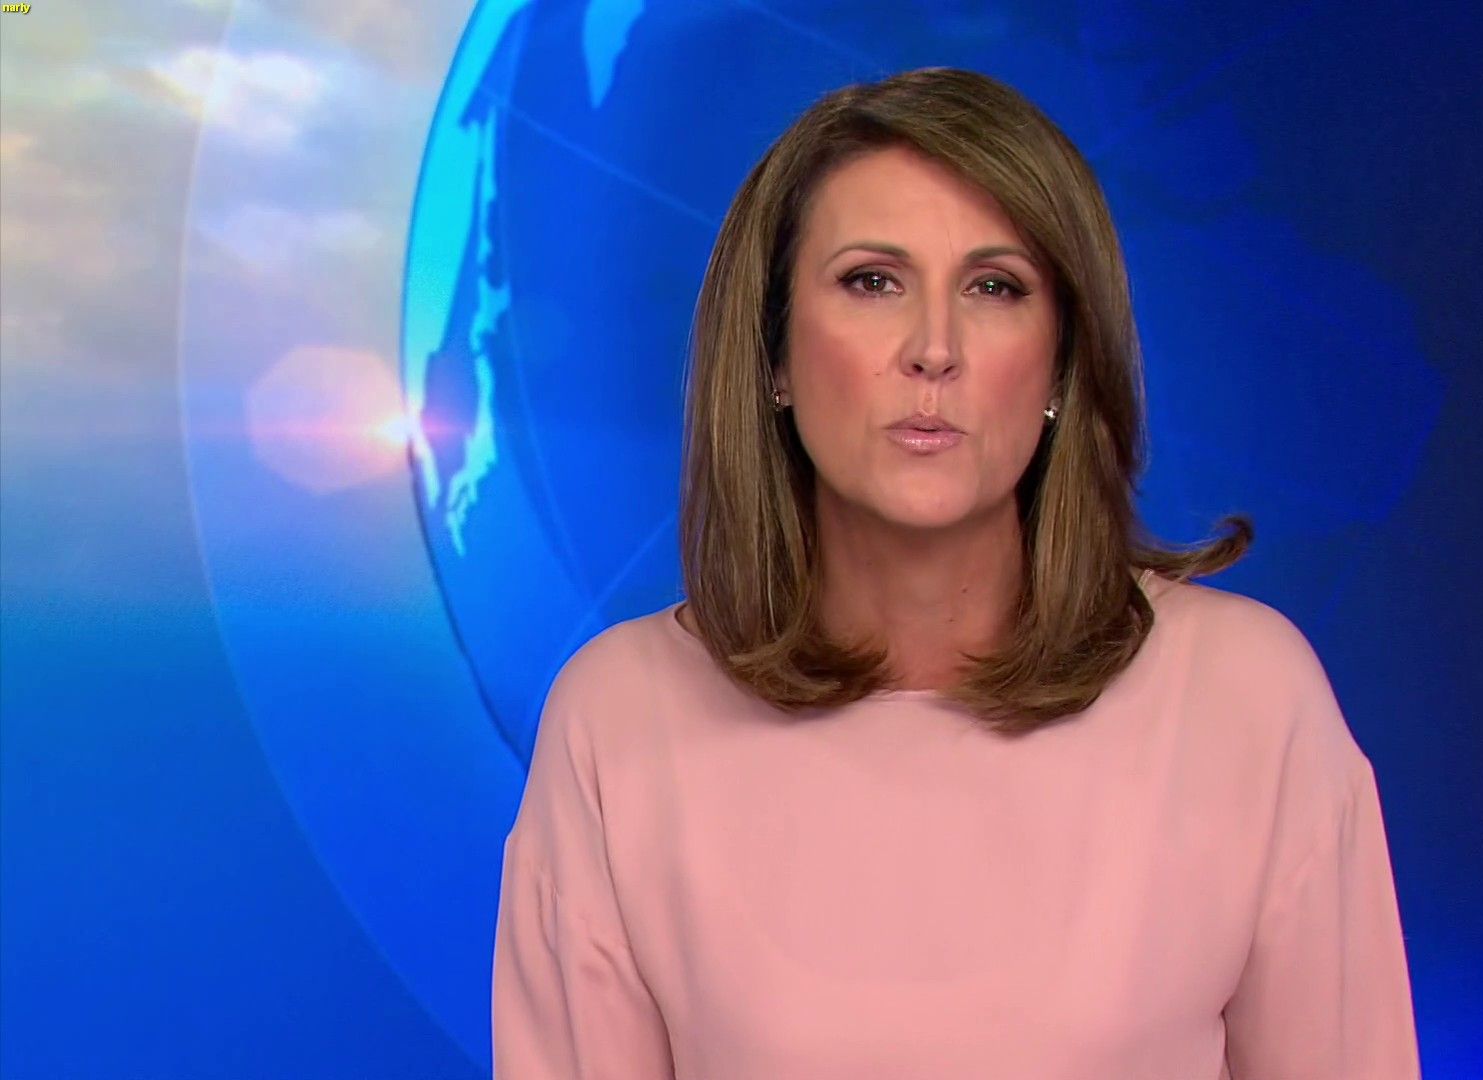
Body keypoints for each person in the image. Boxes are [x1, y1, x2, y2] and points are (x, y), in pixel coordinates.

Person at [492, 66, 1420, 1079]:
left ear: (1062, 364)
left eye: (994, 287)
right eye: (872, 282)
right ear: (775, 358)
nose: (934, 349)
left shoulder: (1246, 698)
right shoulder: (620, 720)